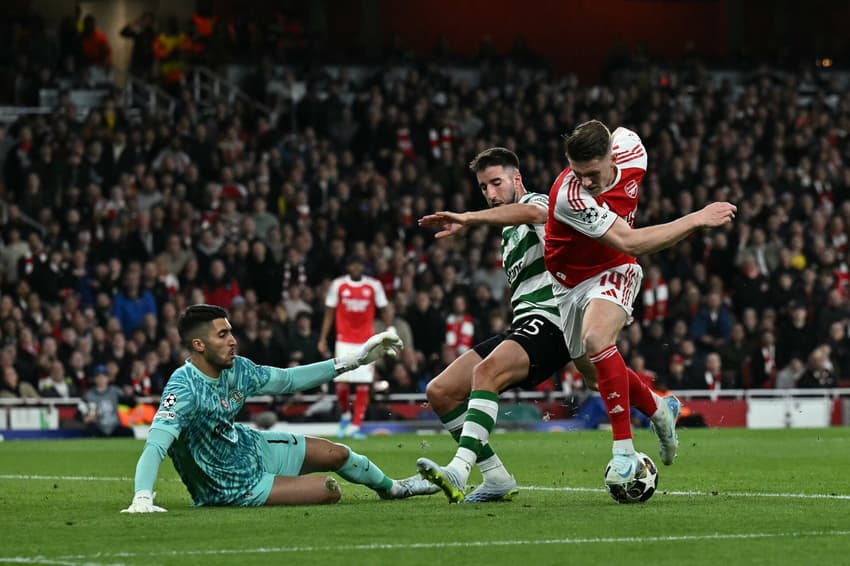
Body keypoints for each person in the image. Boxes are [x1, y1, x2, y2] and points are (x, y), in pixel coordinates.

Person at [542, 119, 736, 495]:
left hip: (614, 266)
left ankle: (624, 453)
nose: (586, 181)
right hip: (568, 282)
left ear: (611, 156)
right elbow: (630, 238)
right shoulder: (570, 195)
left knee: (598, 340)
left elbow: (626, 248)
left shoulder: (632, 149)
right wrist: (696, 218)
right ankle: (660, 410)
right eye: (578, 172)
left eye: (593, 172)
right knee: (593, 375)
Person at [122, 304, 436, 512]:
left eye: (231, 331)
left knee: (337, 454)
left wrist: (355, 360)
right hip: (230, 485)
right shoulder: (183, 388)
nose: (233, 340)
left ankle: (394, 488)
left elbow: (288, 380)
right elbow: (156, 444)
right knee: (329, 490)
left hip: (249, 446)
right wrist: (142, 496)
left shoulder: (239, 369)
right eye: (223, 334)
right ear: (199, 345)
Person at [414, 147, 572, 503]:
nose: (490, 194)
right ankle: (496, 477)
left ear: (517, 179)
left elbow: (533, 212)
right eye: (484, 187)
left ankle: (458, 469)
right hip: (524, 325)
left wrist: (469, 218)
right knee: (440, 391)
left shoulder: (538, 203)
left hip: (554, 322)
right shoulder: (507, 234)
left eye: (496, 183)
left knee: (486, 373)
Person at [317, 255, 392, 439]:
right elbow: (329, 313)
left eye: (359, 264)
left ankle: (356, 426)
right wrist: (323, 338)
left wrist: (390, 330)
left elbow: (384, 309)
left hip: (367, 341)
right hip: (343, 340)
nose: (356, 267)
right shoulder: (339, 285)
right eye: (353, 264)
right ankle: (345, 416)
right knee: (341, 383)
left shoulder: (373, 286)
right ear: (348, 266)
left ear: (363, 267)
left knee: (363, 384)